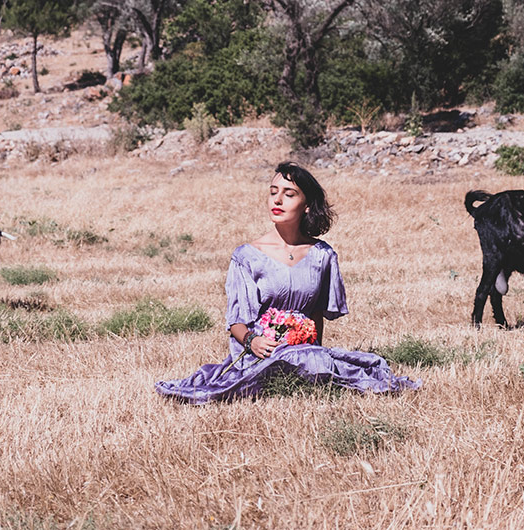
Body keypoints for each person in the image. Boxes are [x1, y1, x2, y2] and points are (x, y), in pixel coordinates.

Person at [155, 161, 419, 404]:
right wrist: (252, 341)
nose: (277, 200)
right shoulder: (247, 256)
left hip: (303, 351)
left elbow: (316, 313)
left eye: (289, 194)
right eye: (273, 192)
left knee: (346, 368)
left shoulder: (322, 256)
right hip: (261, 353)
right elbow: (235, 320)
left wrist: (315, 354)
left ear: (306, 205)